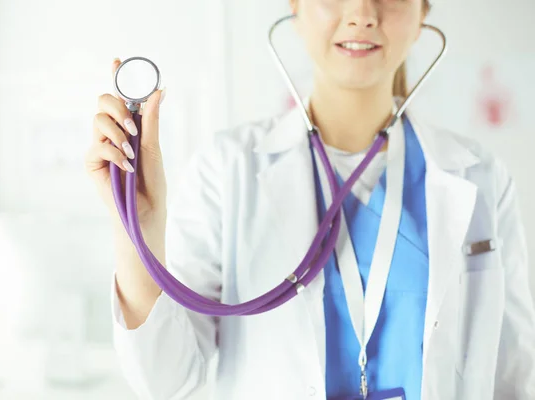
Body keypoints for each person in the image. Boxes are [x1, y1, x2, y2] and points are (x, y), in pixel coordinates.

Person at [84, 0, 535, 399]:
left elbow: (514, 376)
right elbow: (168, 380)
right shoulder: (227, 170)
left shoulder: (480, 176)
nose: (362, 12)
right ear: (295, 6)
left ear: (423, 15)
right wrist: (137, 234)